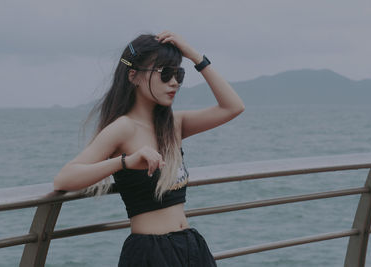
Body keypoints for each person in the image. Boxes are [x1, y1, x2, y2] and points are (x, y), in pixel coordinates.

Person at [53, 31, 245, 266]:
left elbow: (233, 107)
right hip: (150, 253)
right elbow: (64, 178)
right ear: (133, 76)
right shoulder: (123, 128)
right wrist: (125, 161)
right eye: (165, 73)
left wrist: (194, 56)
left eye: (178, 74)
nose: (174, 82)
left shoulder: (173, 124)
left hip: (191, 248)